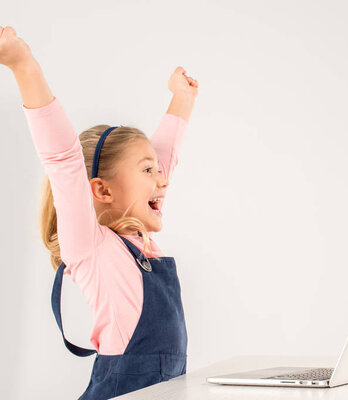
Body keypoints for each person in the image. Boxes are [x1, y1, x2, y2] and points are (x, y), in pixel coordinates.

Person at [0, 25, 199, 399]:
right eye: (147, 170)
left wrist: (182, 100)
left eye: (159, 169)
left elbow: (161, 162)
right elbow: (62, 158)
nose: (164, 180)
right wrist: (23, 64)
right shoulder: (93, 247)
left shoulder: (141, 246)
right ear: (102, 190)